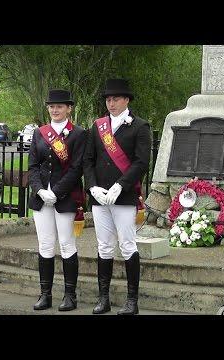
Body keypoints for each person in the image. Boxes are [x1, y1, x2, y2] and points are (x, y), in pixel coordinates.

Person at [83, 78, 151, 315]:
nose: (111, 103)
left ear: (126, 100)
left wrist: (121, 185)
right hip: (101, 197)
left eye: (115, 99)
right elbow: (88, 160)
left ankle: (132, 301)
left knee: (128, 245)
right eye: (108, 99)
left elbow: (142, 162)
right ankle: (104, 299)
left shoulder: (140, 126)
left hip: (123, 196)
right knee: (104, 246)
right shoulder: (98, 126)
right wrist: (92, 187)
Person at [28, 89, 86, 311]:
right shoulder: (39, 133)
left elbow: (76, 168)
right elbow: (33, 166)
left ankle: (70, 296)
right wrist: (41, 190)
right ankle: (45, 294)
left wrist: (57, 192)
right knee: (44, 244)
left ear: (69, 108)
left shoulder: (79, 134)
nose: (55, 110)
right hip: (42, 198)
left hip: (66, 198)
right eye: (52, 106)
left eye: (60, 106)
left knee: (66, 244)